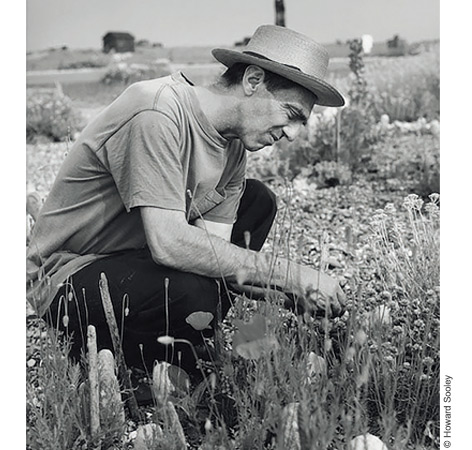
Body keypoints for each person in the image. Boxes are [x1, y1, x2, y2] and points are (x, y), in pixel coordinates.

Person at [26, 24, 348, 374]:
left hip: (138, 264)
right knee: (191, 292)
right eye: (291, 114)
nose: (293, 134)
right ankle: (129, 361)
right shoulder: (156, 111)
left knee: (258, 202)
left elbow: (217, 261)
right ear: (253, 80)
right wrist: (291, 274)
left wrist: (285, 295)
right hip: (70, 277)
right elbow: (168, 244)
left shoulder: (233, 148)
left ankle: (170, 346)